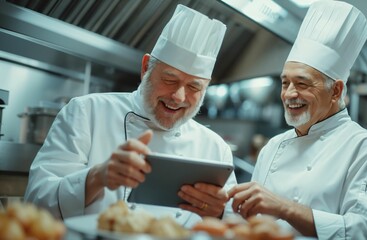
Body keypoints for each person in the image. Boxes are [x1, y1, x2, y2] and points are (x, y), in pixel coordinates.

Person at [24, 4, 237, 227]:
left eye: (194, 87)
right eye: (170, 80)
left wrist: (219, 213)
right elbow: (35, 203)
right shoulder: (86, 112)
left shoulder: (215, 148)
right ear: (146, 67)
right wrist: (97, 177)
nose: (178, 96)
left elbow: (235, 226)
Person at [228, 1, 367, 239]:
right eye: (285, 82)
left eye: (302, 83)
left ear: (336, 91)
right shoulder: (273, 147)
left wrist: (286, 208)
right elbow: (250, 220)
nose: (289, 94)